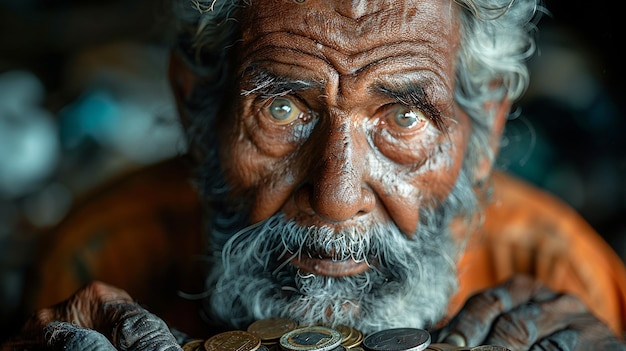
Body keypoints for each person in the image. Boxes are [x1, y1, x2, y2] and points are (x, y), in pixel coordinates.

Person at [4, 0, 626, 350]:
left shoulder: (558, 269)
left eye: (404, 116)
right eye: (282, 108)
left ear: (484, 129)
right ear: (196, 109)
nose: (335, 198)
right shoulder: (103, 254)